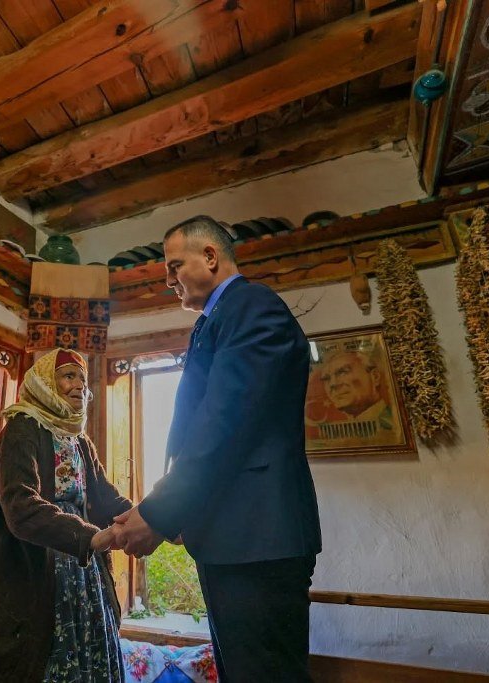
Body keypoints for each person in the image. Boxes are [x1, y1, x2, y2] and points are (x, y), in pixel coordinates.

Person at [113, 215, 322, 681]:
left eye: (174, 266)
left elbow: (225, 424)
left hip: (258, 538)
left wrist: (160, 512)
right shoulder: (215, 321)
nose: (168, 280)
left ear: (210, 256)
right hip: (234, 537)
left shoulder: (252, 307)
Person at [0, 348, 132, 683]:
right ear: (45, 383)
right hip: (33, 573)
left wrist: (151, 519)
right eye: (68, 376)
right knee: (33, 660)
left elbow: (105, 497)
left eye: (83, 380)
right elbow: (21, 508)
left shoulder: (79, 441)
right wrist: (89, 537)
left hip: (83, 574)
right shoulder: (22, 430)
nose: (79, 385)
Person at [317, 349, 392, 425]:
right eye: (326, 379)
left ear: (375, 377)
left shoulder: (394, 421)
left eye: (343, 372)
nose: (333, 384)